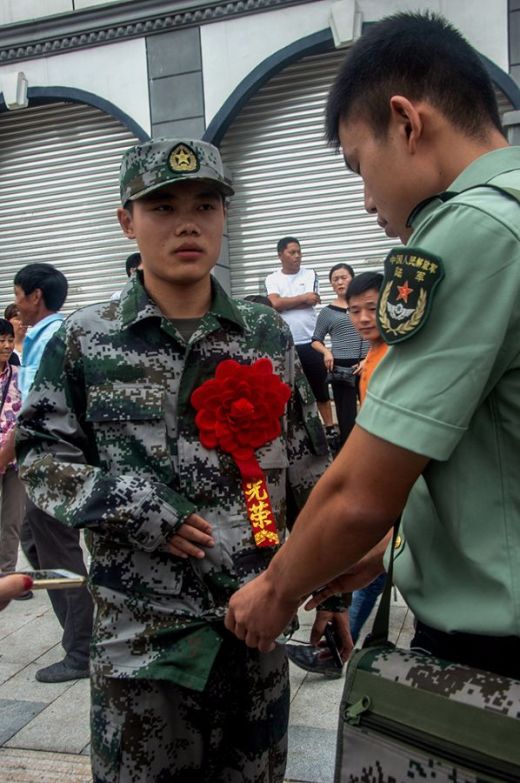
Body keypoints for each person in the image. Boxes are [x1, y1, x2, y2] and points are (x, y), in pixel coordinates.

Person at [16, 137, 348, 783]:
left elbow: (309, 469)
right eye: (162, 207)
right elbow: (40, 457)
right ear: (126, 220)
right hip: (141, 654)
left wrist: (330, 589)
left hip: (253, 639)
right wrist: (140, 508)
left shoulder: (264, 334)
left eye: (205, 204)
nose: (188, 222)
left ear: (226, 215)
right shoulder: (88, 338)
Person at [225, 11, 520, 680]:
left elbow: (360, 488)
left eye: (360, 165)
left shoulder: (468, 230)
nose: (364, 200)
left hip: (499, 655)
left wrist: (275, 591)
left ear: (407, 123)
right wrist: (397, 546)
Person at [15, 263, 93, 682]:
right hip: (39, 462)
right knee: (36, 541)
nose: (15, 303)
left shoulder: (54, 340)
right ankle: (82, 636)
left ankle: (82, 650)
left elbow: (39, 413)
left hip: (54, 464)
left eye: (17, 294)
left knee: (59, 554)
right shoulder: (40, 338)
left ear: (35, 296)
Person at [265, 238, 336, 443]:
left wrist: (292, 302)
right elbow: (275, 304)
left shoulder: (310, 274)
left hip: (311, 342)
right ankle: (294, 433)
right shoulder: (272, 278)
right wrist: (301, 299)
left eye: (299, 252)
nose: (297, 256)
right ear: (280, 255)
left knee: (320, 389)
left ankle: (330, 429)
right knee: (289, 391)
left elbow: (312, 299)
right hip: (286, 344)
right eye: (292, 253)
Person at [311, 263, 368, 446]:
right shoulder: (327, 313)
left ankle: (371, 451)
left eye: (344, 277)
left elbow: (380, 336)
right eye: (335, 279)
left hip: (367, 365)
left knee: (372, 413)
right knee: (346, 417)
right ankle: (349, 454)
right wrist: (326, 352)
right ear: (331, 285)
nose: (340, 282)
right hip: (341, 369)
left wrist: (367, 359)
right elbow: (315, 340)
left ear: (353, 279)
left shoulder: (365, 306)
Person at [0, 319, 26, 590]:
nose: (6, 345)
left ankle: (6, 576)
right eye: (1, 340)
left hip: (15, 459)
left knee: (12, 520)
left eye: (9, 339)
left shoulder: (19, 374)